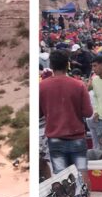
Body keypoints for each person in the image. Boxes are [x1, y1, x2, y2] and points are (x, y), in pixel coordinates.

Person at [40, 50, 94, 181]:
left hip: (55, 138)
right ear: (68, 65)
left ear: (51, 66)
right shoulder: (79, 85)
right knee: (82, 175)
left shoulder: (42, 87)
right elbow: (88, 112)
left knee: (62, 180)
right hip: (77, 137)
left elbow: (39, 114)